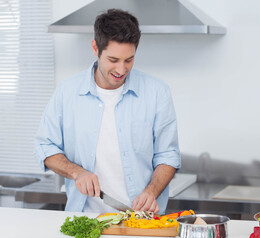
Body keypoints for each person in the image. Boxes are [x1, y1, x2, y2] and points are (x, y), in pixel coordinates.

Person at [35, 9, 181, 214]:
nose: (121, 70)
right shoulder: (67, 92)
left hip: (142, 222)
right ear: (95, 48)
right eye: (113, 60)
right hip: (85, 219)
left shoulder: (157, 92)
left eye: (129, 60)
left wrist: (151, 191)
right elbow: (45, 147)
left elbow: (168, 155)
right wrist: (77, 173)